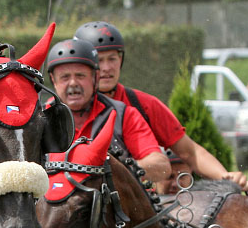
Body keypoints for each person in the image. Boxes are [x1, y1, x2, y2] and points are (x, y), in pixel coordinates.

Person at [74, 21, 248, 194]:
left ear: (121, 60)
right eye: (99, 59)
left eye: (112, 59)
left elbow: (189, 152)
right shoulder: (58, 110)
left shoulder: (144, 105)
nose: (106, 68)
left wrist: (226, 177)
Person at [45, 38, 170, 183]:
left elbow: (162, 166)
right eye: (65, 77)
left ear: (95, 78)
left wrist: (109, 170)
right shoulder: (39, 119)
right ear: (53, 80)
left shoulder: (123, 115)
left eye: (80, 75)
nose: (73, 83)